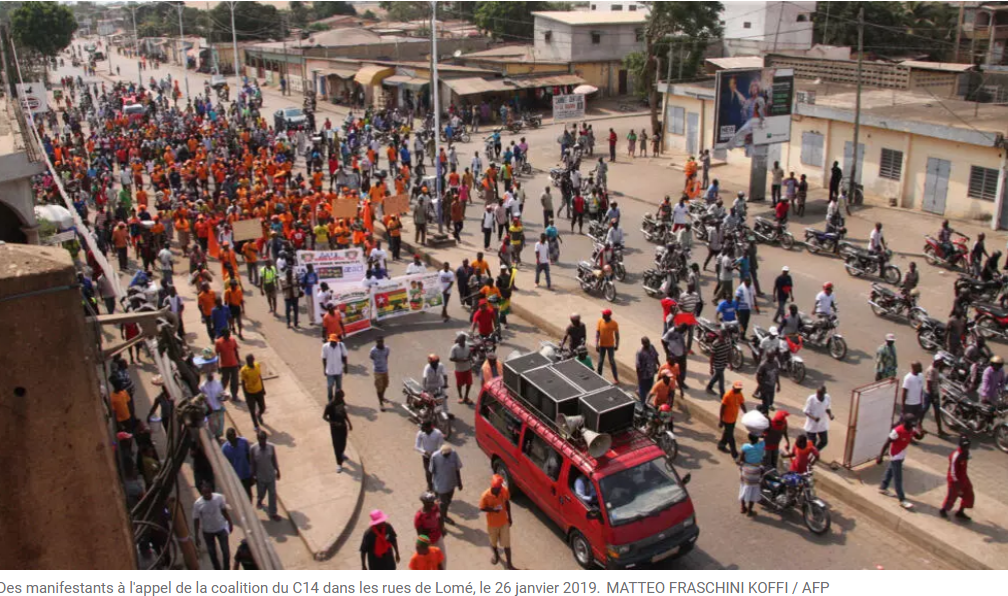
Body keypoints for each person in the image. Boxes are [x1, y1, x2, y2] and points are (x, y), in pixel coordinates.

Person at [877, 417, 917, 509]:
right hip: (896, 456)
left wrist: (921, 434)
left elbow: (917, 436)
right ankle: (902, 500)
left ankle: (883, 487)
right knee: (898, 479)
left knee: (890, 471)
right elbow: (887, 443)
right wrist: (881, 456)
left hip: (902, 454)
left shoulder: (911, 429)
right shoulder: (897, 431)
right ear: (906, 423)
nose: (912, 427)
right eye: (911, 424)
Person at [192, 482, 233, 570]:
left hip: (221, 528)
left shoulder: (219, 498)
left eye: (208, 492)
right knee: (212, 554)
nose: (207, 494)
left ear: (211, 491)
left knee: (226, 552)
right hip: (208, 532)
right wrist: (196, 535)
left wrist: (230, 522)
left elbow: (224, 510)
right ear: (202, 493)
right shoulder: (198, 504)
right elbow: (196, 519)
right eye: (204, 493)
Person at [480, 474, 514, 569]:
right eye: (499, 488)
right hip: (492, 524)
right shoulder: (485, 496)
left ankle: (509, 565)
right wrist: (493, 510)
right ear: (493, 487)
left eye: (501, 487)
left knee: (506, 544)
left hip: (504, 522)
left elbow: (507, 503)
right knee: (493, 543)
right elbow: (482, 508)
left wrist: (510, 517)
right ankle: (496, 555)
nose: (500, 489)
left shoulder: (504, 491)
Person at [250, 430, 282, 522]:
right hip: (260, 476)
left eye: (264, 439)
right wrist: (253, 475)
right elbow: (252, 463)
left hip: (270, 474)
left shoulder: (271, 447)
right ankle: (259, 500)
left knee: (272, 494)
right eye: (260, 439)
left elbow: (274, 459)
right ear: (258, 439)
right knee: (261, 492)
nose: (262, 442)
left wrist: (278, 470)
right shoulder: (253, 449)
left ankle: (273, 513)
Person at [940, 435, 974, 521]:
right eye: (965, 446)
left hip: (963, 477)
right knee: (952, 496)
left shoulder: (966, 452)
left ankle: (960, 511)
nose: (967, 448)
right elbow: (953, 471)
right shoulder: (955, 456)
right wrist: (957, 484)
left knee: (968, 494)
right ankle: (943, 510)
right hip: (955, 480)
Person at [429, 444, 463, 525]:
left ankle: (437, 511)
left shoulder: (454, 454)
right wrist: (431, 485)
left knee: (447, 501)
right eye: (444, 454)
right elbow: (431, 471)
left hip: (451, 483)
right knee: (444, 503)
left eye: (448, 454)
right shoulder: (435, 456)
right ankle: (443, 517)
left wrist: (459, 482)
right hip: (440, 485)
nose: (446, 456)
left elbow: (457, 469)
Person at [414, 494, 447, 567]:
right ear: (425, 503)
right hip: (429, 543)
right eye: (430, 502)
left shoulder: (435, 508)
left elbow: (440, 518)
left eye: (433, 501)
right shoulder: (419, 517)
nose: (433, 503)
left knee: (442, 559)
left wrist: (442, 528)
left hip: (438, 538)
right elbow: (420, 535)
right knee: (432, 562)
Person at [222, 428, 254, 500]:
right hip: (235, 476)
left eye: (232, 438)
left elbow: (248, 455)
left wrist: (251, 470)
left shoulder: (243, 442)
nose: (230, 440)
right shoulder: (225, 449)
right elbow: (226, 464)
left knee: (249, 495)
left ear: (235, 436)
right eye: (228, 438)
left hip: (246, 473)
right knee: (240, 496)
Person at [323, 395, 352, 473]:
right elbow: (324, 417)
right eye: (341, 396)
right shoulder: (329, 406)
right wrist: (333, 423)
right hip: (335, 429)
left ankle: (341, 453)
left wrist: (349, 423)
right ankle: (339, 464)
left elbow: (344, 414)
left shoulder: (341, 402)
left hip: (343, 427)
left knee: (343, 443)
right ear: (336, 397)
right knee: (336, 445)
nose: (342, 398)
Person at [718, 381, 747, 459]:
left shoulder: (739, 394)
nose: (738, 390)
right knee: (730, 437)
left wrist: (746, 413)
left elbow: (742, 403)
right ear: (733, 387)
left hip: (733, 418)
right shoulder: (727, 395)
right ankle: (735, 454)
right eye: (737, 389)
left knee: (727, 432)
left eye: (740, 389)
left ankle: (721, 445)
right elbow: (722, 408)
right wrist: (721, 420)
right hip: (727, 419)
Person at [738, 434, 765, 516]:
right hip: (756, 471)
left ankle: (742, 507)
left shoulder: (745, 446)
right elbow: (766, 438)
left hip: (746, 470)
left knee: (743, 488)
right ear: (757, 438)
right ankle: (750, 510)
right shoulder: (761, 445)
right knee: (753, 490)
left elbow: (741, 459)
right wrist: (762, 436)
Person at [416, 420, 445, 491]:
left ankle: (437, 485)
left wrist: (436, 453)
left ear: (429, 427)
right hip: (426, 457)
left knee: (436, 472)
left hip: (436, 457)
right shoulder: (420, 433)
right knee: (428, 472)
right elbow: (417, 446)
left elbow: (442, 445)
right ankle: (429, 485)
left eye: (424, 427)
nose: (422, 429)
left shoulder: (438, 433)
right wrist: (425, 452)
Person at [803, 386, 834, 451]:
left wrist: (830, 415)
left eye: (822, 394)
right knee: (812, 443)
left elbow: (827, 408)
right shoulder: (811, 399)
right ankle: (810, 454)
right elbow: (806, 411)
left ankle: (815, 452)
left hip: (822, 424)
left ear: (824, 393)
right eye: (819, 394)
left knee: (824, 441)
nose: (820, 396)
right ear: (817, 393)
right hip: (812, 425)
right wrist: (814, 418)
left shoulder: (827, 397)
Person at [240, 354, 266, 430]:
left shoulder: (257, 365)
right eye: (248, 361)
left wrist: (263, 389)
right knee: (252, 410)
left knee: (263, 407)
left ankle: (259, 415)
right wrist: (245, 395)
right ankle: (256, 425)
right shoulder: (244, 370)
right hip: (250, 393)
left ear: (253, 360)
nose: (250, 362)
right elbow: (243, 383)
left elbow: (260, 377)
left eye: (251, 360)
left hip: (259, 390)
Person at [924, 353, 947, 437]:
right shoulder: (931, 370)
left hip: (935, 393)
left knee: (937, 411)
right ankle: (918, 424)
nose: (942, 362)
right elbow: (929, 384)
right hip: (930, 394)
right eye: (940, 361)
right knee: (925, 409)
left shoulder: (937, 368)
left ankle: (939, 430)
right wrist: (933, 396)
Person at [596, 309, 620, 383]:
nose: (602, 315)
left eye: (603, 314)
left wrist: (617, 344)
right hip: (602, 345)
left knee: (612, 361)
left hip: (610, 346)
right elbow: (598, 333)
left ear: (608, 316)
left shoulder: (614, 323)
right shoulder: (600, 321)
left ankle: (616, 379)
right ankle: (599, 376)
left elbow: (617, 335)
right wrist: (596, 343)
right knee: (600, 361)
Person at [322, 334, 349, 402]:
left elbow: (345, 356)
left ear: (337, 341)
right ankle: (330, 399)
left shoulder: (341, 345)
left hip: (338, 370)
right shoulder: (325, 346)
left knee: (338, 387)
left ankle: (338, 400)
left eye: (334, 341)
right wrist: (324, 369)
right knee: (330, 385)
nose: (333, 343)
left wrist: (345, 366)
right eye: (332, 341)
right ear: (329, 341)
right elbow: (324, 358)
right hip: (330, 370)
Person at [449, 333, 474, 405]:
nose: (461, 342)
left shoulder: (467, 345)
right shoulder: (454, 348)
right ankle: (460, 396)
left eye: (462, 341)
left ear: (464, 340)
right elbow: (451, 358)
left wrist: (470, 358)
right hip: (459, 369)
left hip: (468, 368)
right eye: (460, 341)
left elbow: (470, 353)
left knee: (469, 383)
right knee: (459, 384)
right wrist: (461, 360)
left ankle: (466, 397)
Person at [902, 361, 926, 435]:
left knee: (914, 421)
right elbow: (904, 392)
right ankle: (905, 434)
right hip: (909, 404)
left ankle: (911, 434)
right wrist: (903, 405)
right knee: (907, 422)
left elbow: (921, 389)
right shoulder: (908, 378)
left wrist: (921, 401)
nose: (921, 368)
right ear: (914, 368)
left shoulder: (921, 376)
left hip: (918, 403)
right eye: (919, 367)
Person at [635, 337, 661, 403]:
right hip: (643, 375)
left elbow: (655, 356)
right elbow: (638, 366)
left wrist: (658, 364)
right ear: (642, 343)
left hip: (651, 372)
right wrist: (639, 377)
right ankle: (642, 403)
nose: (647, 345)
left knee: (649, 387)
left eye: (648, 343)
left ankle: (639, 392)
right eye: (646, 343)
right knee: (643, 392)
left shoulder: (651, 347)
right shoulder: (640, 352)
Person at [370, 336, 391, 412]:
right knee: (379, 387)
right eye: (379, 342)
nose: (381, 343)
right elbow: (371, 357)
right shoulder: (373, 350)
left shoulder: (387, 349)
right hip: (377, 371)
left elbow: (386, 356)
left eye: (382, 342)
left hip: (385, 370)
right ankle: (381, 403)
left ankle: (382, 397)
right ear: (376, 342)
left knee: (385, 385)